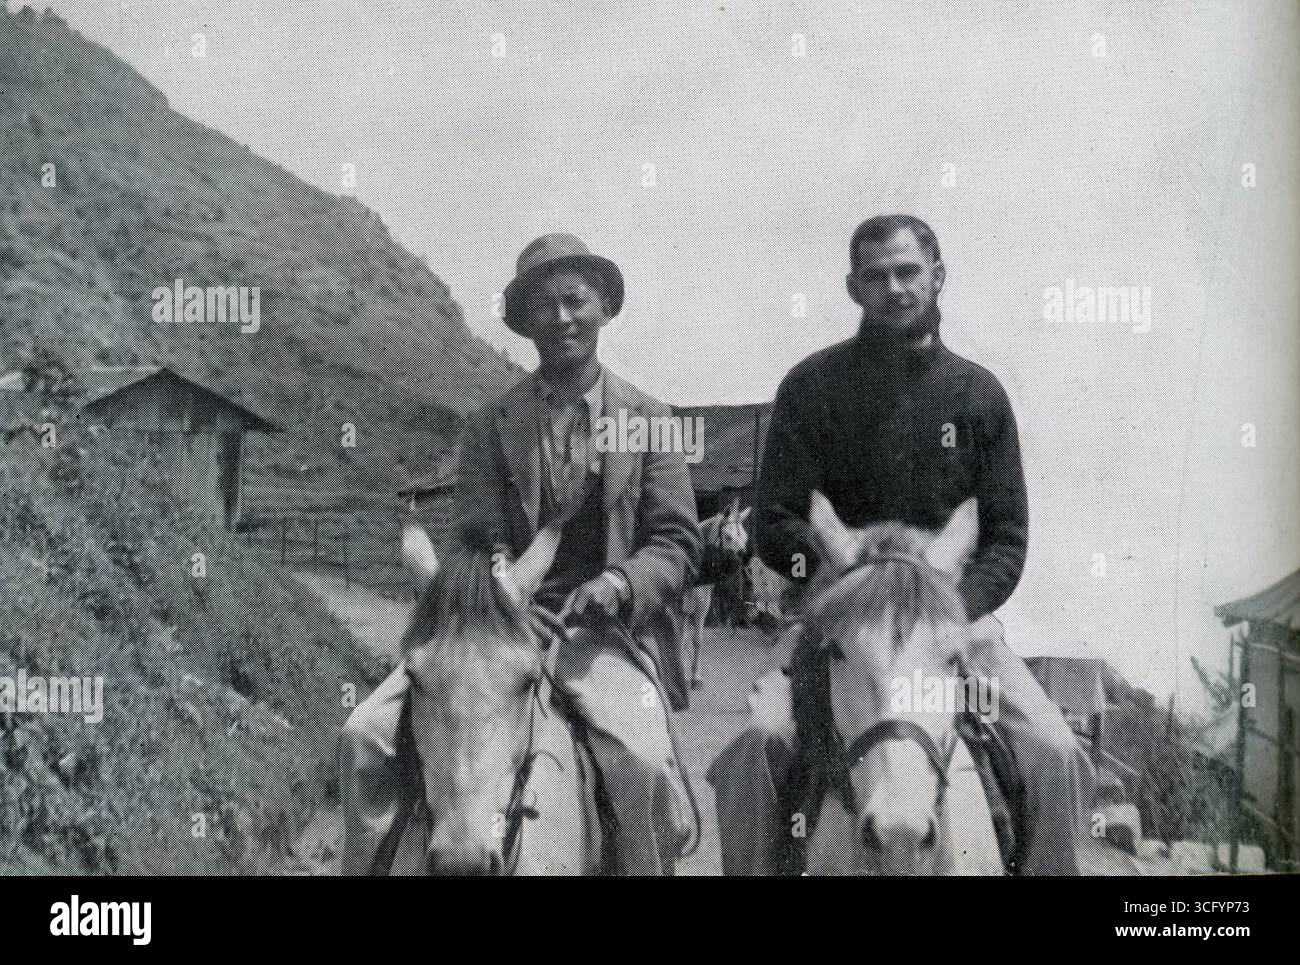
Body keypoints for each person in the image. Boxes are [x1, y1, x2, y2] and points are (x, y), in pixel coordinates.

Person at [707, 214, 1094, 875]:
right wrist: (832, 567)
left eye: (907, 270)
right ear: (853, 287)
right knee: (756, 747)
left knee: (1055, 754)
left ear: (937, 276)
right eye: (875, 275)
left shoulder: (980, 396)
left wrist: (948, 610)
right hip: (837, 623)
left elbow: (1006, 537)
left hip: (954, 625)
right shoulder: (810, 388)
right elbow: (774, 521)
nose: (893, 286)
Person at [342, 233, 702, 875]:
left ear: (604, 307)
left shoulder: (651, 422)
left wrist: (617, 585)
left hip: (605, 640)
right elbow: (477, 538)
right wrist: (509, 600)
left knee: (643, 766)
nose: (562, 318)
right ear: (525, 322)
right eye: (545, 306)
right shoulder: (493, 422)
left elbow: (676, 543)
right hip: (496, 633)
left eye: (576, 301)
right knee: (364, 736)